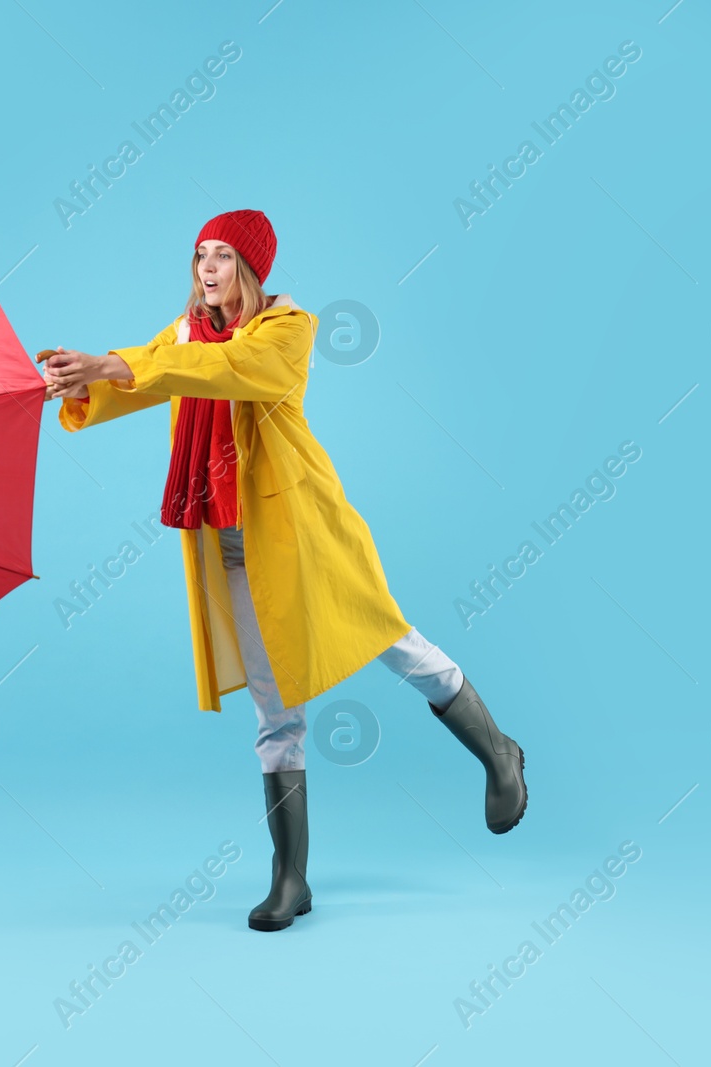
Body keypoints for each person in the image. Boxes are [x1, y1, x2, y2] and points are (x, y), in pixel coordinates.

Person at [38, 209, 526, 933]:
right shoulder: (184, 337)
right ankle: (291, 876)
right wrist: (77, 379)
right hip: (232, 547)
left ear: (252, 268)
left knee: (394, 643)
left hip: (303, 536)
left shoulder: (287, 329)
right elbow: (145, 377)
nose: (208, 268)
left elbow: (237, 371)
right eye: (200, 254)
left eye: (224, 255)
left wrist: (117, 361)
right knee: (274, 710)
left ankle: (500, 752)